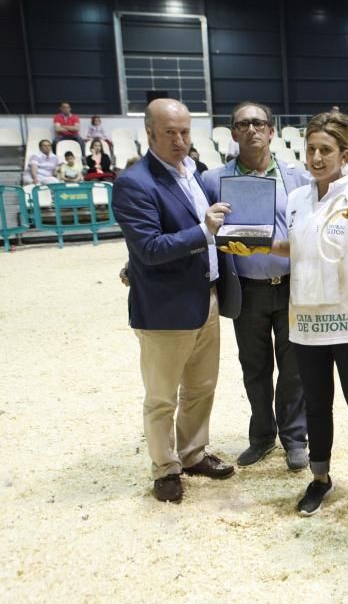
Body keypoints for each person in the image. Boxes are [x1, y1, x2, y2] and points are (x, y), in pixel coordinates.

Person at [263, 111, 348, 517]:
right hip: (306, 318)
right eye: (311, 149)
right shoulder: (298, 199)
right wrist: (257, 244)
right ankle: (319, 478)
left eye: (326, 150)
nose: (317, 157)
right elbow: (296, 247)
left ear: (344, 153)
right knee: (316, 405)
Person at [111, 98, 239, 503]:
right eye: (170, 132)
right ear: (149, 132)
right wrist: (204, 231)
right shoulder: (135, 183)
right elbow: (148, 247)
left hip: (207, 298)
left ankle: (193, 452)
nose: (180, 140)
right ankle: (165, 468)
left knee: (201, 387)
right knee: (163, 396)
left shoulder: (193, 172)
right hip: (165, 308)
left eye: (184, 132)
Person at [202, 101, 311, 471]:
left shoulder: (297, 177)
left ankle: (296, 439)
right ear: (233, 133)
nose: (251, 130)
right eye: (243, 124)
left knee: (294, 368)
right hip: (246, 289)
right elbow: (199, 230)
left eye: (258, 123)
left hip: (293, 286)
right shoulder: (212, 180)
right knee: (255, 367)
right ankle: (262, 436)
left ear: (271, 131)